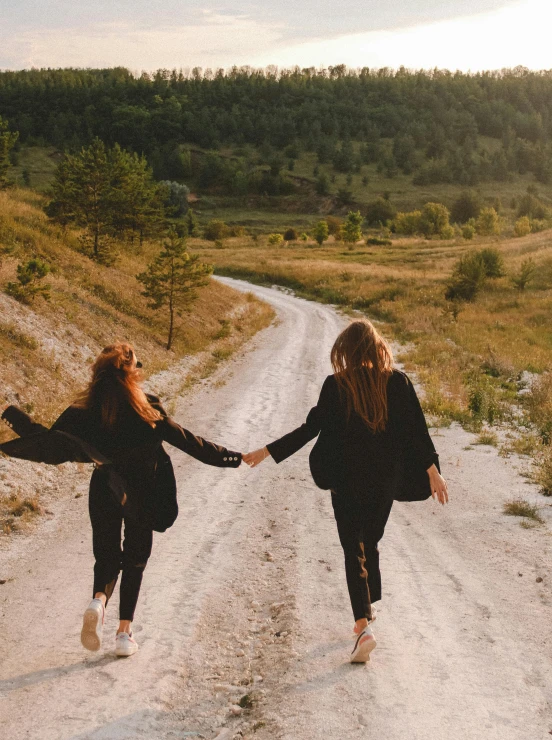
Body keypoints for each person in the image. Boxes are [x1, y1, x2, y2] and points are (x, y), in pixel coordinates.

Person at [1, 343, 242, 657]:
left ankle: (98, 601)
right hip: (143, 491)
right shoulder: (147, 407)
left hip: (104, 485)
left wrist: (11, 415)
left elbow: (48, 441)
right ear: (133, 372)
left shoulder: (85, 410)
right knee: (135, 559)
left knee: (106, 556)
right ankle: (123, 633)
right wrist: (231, 457)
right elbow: (187, 440)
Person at [243, 319, 448, 663]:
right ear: (375, 346)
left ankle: (363, 626)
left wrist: (267, 451)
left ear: (347, 352)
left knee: (354, 548)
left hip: (345, 479)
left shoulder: (337, 384)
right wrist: (432, 470)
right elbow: (416, 429)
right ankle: (368, 610)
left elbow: (311, 428)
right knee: (370, 540)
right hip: (384, 480)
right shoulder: (397, 382)